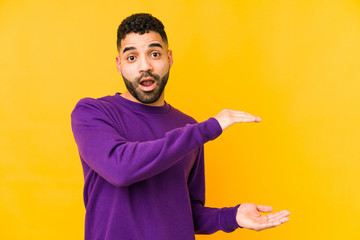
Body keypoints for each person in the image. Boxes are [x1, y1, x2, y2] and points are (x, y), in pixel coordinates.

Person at [71, 13, 290, 240]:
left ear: (170, 58)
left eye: (154, 54)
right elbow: (121, 169)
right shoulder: (93, 112)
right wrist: (207, 129)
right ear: (119, 65)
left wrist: (232, 216)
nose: (145, 66)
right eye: (132, 58)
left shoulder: (188, 127)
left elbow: (186, 211)